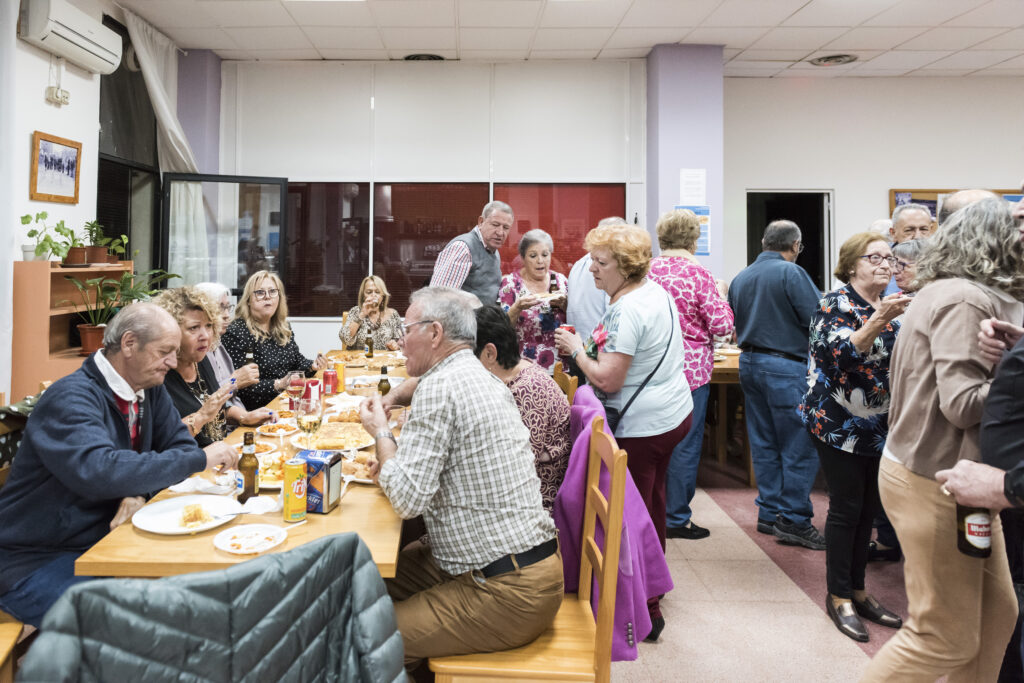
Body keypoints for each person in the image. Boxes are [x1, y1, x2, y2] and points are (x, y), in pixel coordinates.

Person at [862, 198, 1024, 682]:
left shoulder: (947, 290)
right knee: (941, 636)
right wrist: (1016, 376)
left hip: (953, 479)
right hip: (933, 479)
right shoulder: (964, 298)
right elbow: (963, 403)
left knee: (997, 617)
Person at [357, 287, 562, 670]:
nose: (399, 339)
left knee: (362, 636)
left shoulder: (440, 387)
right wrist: (394, 468)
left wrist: (381, 432)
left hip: (508, 590)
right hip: (503, 563)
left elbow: (407, 501)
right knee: (360, 581)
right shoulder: (477, 375)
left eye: (407, 328)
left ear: (435, 333)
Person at [0, 303, 238, 628]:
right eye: (165, 351)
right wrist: (200, 458)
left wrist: (135, 490)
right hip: (34, 558)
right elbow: (101, 472)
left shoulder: (147, 389)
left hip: (107, 543)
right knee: (136, 624)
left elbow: (178, 444)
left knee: (200, 593)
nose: (172, 362)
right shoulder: (70, 399)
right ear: (128, 344)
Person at [554, 223, 691, 641]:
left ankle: (645, 606)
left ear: (625, 267)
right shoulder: (654, 292)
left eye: (600, 262)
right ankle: (654, 587)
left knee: (633, 515)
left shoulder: (626, 309)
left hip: (643, 425)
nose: (591, 270)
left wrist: (576, 352)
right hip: (673, 413)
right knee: (653, 502)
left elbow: (609, 381)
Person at [799, 233, 910, 642]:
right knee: (847, 508)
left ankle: (860, 589)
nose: (885, 264)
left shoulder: (893, 304)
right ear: (850, 265)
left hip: (881, 426)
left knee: (868, 510)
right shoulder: (834, 304)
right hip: (838, 424)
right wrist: (880, 321)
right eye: (874, 257)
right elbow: (839, 359)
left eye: (889, 258)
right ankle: (838, 596)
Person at [728, 219, 824, 549]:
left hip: (749, 364)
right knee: (798, 443)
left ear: (763, 241)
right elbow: (819, 318)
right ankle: (795, 519)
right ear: (795, 246)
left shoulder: (741, 277)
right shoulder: (791, 273)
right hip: (784, 366)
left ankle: (769, 513)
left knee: (764, 440)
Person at [647, 208, 734, 540]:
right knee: (685, 443)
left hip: (651, 369)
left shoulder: (648, 271)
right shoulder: (699, 275)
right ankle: (676, 517)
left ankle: (651, 510)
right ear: (694, 240)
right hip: (691, 371)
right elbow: (723, 325)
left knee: (653, 440)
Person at [474, 304, 571, 511]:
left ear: (490, 353)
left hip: (537, 501)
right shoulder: (513, 372)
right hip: (521, 493)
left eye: (469, 357)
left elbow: (520, 466)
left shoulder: (527, 389)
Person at [154, 287, 272, 446]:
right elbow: (162, 440)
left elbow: (217, 410)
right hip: (195, 465)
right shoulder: (158, 377)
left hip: (222, 455)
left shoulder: (201, 360)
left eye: (209, 326)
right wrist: (201, 415)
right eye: (194, 328)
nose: (205, 336)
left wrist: (245, 416)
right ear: (170, 331)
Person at [221, 270, 328, 410]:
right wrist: (278, 384)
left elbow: (296, 361)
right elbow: (243, 388)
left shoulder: (283, 327)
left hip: (285, 403)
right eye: (260, 292)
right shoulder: (237, 332)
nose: (267, 297)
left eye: (272, 291)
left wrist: (313, 365)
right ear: (248, 300)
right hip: (256, 411)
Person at [498, 229, 569, 372]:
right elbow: (502, 329)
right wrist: (517, 308)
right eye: (533, 255)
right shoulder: (510, 284)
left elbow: (576, 320)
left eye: (545, 254)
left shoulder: (561, 282)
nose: (540, 261)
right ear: (523, 258)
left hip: (560, 367)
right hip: (522, 367)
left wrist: (566, 307)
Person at [192, 281, 261, 419]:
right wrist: (234, 382)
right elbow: (203, 400)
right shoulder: (197, 351)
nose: (226, 315)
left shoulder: (218, 345)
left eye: (227, 308)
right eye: (219, 308)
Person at [429, 200, 514, 305]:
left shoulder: (493, 250)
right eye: (495, 225)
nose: (500, 232)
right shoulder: (462, 248)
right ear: (481, 222)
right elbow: (438, 298)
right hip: (462, 321)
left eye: (506, 228)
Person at [566, 217, 622, 344]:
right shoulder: (609, 267)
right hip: (600, 347)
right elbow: (614, 314)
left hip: (579, 345)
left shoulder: (579, 264)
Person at [339, 275, 403, 351]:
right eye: (369, 292)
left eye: (377, 292)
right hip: (360, 361)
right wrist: (362, 314)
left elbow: (403, 343)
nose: (373, 295)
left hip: (384, 361)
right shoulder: (355, 311)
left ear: (383, 296)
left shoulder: (393, 314)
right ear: (363, 295)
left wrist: (396, 346)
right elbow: (345, 339)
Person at [883, 203, 933, 295]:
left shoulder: (945, 259)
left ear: (931, 230)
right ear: (893, 233)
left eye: (923, 229)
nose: (918, 236)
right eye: (909, 230)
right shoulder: (880, 260)